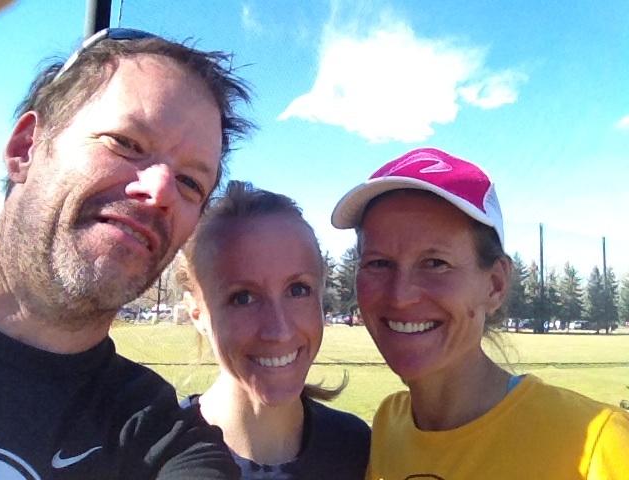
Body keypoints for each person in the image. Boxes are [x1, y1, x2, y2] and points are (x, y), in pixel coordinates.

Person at [0, 28, 252, 479]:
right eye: (126, 143)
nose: (160, 190)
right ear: (24, 148)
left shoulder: (163, 440)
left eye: (191, 182)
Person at [331, 147, 629, 479]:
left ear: (496, 285)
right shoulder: (389, 424)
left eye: (435, 263)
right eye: (378, 263)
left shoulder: (597, 443)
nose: (400, 296)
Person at [178, 180, 370, 479]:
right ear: (197, 314)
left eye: (298, 290)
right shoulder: (153, 455)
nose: (279, 331)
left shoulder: (359, 450)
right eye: (243, 297)